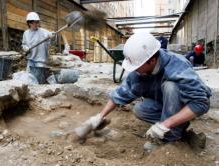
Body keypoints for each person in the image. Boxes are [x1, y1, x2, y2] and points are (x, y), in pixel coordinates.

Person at [75, 31, 211, 151]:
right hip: (165, 104)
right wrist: (99, 117)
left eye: (137, 65)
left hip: (184, 104)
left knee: (170, 86)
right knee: (140, 109)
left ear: (152, 60)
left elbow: (200, 103)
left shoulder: (177, 66)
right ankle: (179, 125)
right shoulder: (140, 71)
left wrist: (164, 125)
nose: (134, 69)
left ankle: (171, 137)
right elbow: (121, 93)